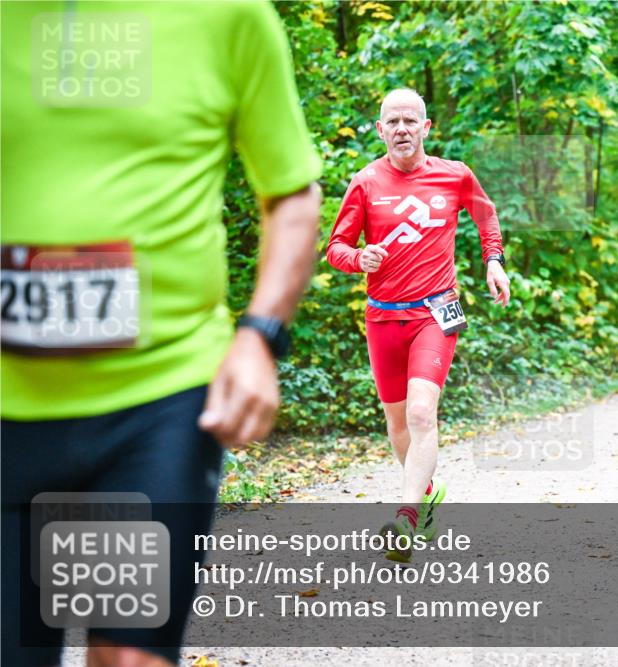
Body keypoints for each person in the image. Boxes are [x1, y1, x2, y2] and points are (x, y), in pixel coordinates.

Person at [1, 2, 322, 665]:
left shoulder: (229, 15)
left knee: (128, 654)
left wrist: (260, 334)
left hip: (156, 401)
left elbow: (290, 190)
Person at [326, 88, 510, 561]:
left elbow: (486, 216)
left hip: (436, 311)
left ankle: (405, 518)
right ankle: (426, 493)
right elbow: (336, 248)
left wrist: (494, 262)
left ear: (426, 127)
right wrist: (357, 258)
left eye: (411, 120)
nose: (402, 129)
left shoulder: (454, 176)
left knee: (422, 413)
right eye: (393, 121)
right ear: (380, 129)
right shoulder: (365, 182)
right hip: (383, 316)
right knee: (397, 425)